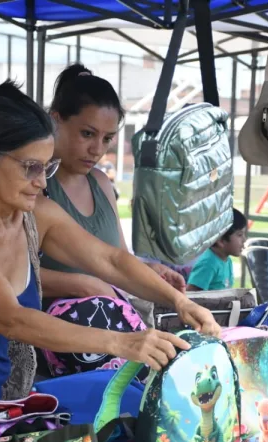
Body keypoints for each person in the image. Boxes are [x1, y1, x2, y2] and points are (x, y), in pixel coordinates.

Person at [0, 79, 220, 437]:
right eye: (31, 167)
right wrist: (122, 342)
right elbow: (12, 319)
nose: (42, 182)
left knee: (120, 408)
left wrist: (179, 301)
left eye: (47, 167)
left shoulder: (34, 215)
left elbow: (111, 261)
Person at [40, 63, 185, 309]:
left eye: (107, 138)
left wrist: (148, 270)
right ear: (56, 120)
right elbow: (9, 271)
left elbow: (118, 258)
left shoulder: (101, 183)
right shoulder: (34, 184)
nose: (97, 149)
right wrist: (81, 285)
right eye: (87, 134)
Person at [187, 208, 247, 292]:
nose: (244, 239)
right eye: (240, 235)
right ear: (221, 240)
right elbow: (191, 294)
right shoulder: (208, 263)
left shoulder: (227, 261)